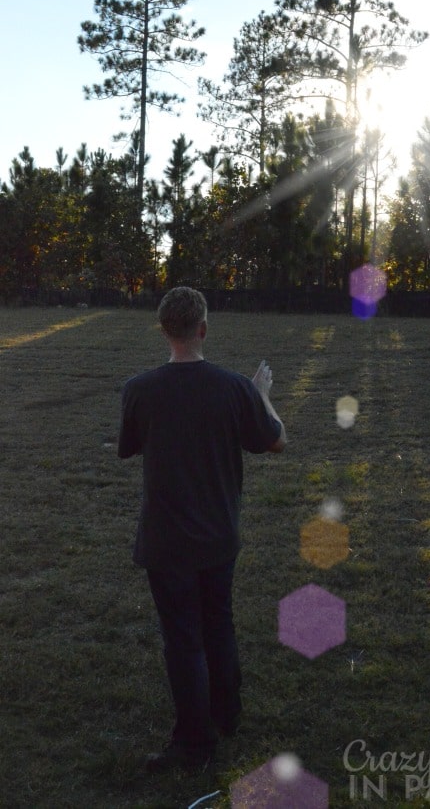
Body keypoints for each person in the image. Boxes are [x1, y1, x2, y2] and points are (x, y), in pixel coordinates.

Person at [117, 286, 286, 773]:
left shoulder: (139, 388)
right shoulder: (234, 387)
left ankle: (196, 741)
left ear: (163, 329)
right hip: (218, 535)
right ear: (204, 328)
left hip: (167, 539)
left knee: (184, 637)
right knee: (218, 622)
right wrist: (262, 398)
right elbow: (277, 442)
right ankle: (224, 714)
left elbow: (127, 448)